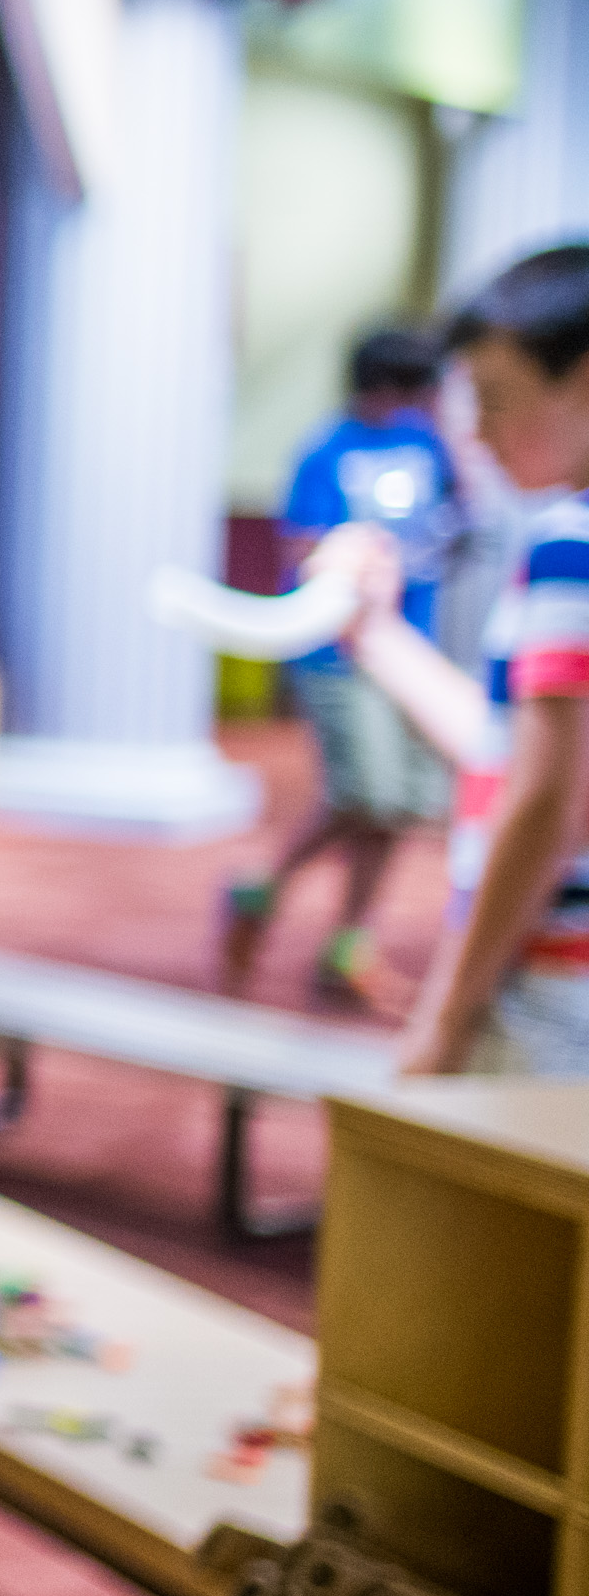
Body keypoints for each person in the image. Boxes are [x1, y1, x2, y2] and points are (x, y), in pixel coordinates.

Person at [331, 256, 589, 1073]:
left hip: (551, 989)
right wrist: (374, 632)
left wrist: (445, 1013)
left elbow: (547, 806)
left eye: (494, 397)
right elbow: (510, 747)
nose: (473, 430)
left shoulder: (568, 548)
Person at [225, 327, 459, 1009]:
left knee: (402, 808)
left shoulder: (428, 443)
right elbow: (303, 552)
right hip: (336, 653)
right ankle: (259, 890)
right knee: (368, 796)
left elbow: (456, 520)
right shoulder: (326, 450)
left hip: (411, 645)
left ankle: (347, 946)